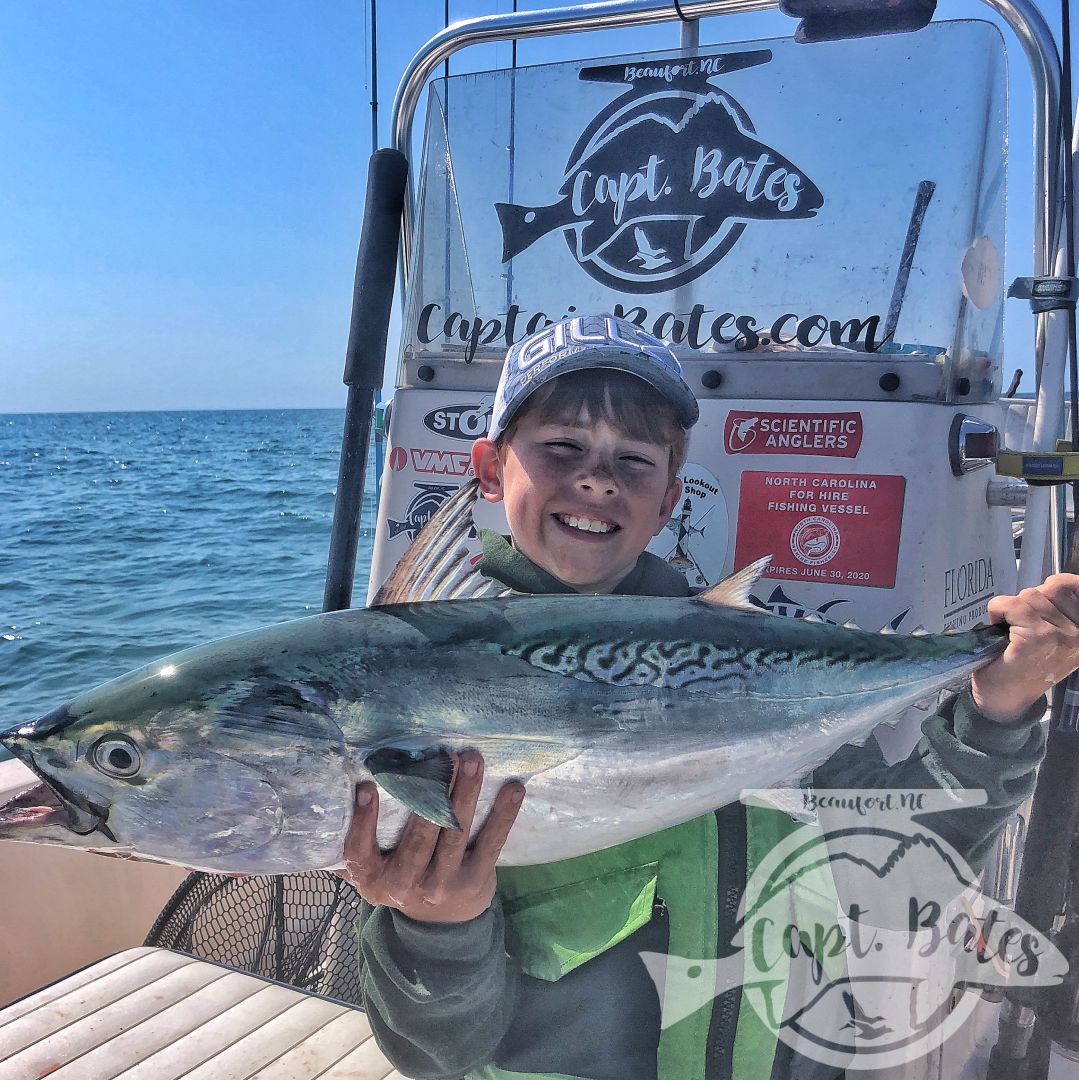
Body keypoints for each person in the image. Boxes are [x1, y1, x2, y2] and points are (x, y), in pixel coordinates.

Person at [342, 314, 1079, 1080]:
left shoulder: (746, 660)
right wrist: (437, 926)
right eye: (561, 446)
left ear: (666, 501)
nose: (596, 478)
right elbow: (438, 1053)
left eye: (633, 459)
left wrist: (999, 708)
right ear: (490, 469)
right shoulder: (417, 683)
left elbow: (899, 875)